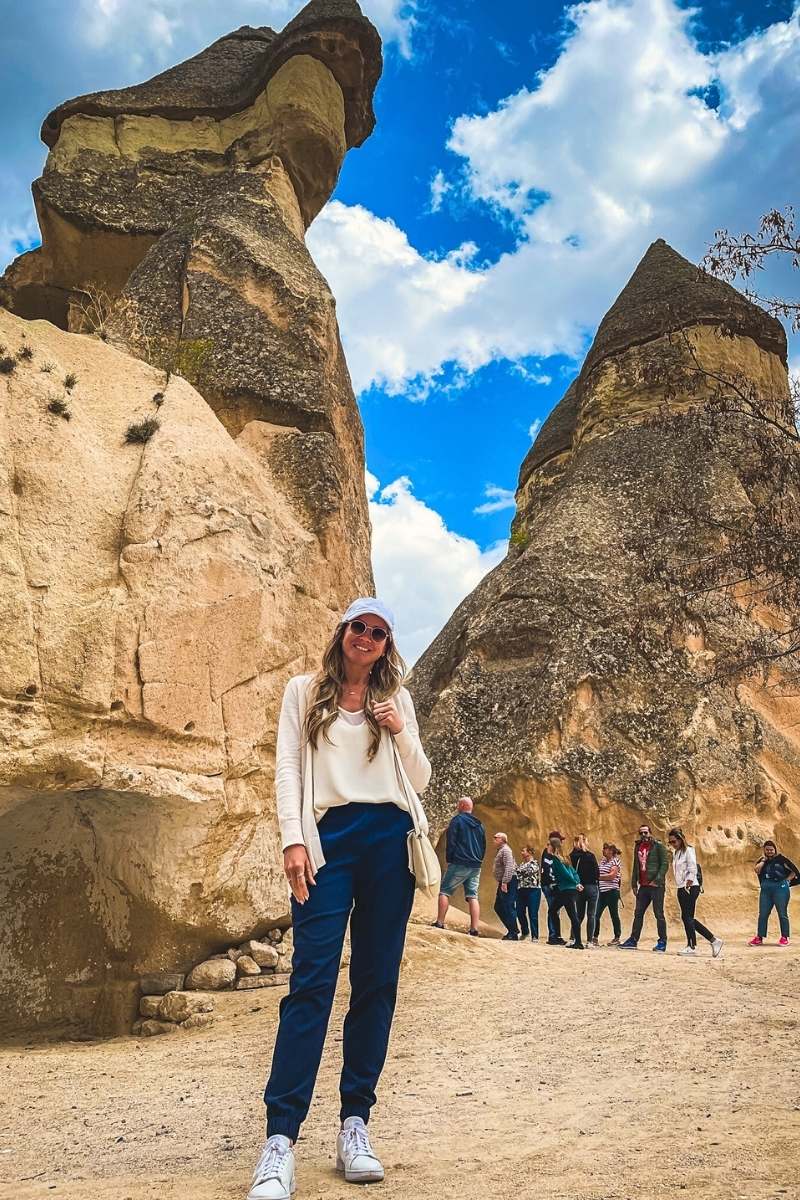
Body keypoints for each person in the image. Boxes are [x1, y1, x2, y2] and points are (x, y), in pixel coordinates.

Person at [247, 598, 432, 1200]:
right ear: (343, 632)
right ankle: (280, 1142)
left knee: (376, 983)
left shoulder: (395, 700)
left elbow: (421, 779)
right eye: (360, 627)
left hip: (388, 842)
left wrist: (399, 732)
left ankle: (356, 1124)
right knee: (311, 981)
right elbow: (286, 770)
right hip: (329, 839)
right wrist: (292, 839)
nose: (368, 638)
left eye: (379, 632)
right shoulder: (304, 693)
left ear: (386, 645)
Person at [667, 828, 723, 958]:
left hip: (690, 887)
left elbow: (692, 867)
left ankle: (692, 946)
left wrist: (689, 881)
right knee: (687, 917)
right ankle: (713, 940)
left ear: (681, 839)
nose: (672, 844)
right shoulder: (677, 853)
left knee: (688, 917)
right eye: (670, 842)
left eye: (674, 841)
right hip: (682, 887)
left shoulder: (688, 850)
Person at [433, 797, 485, 936]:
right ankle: (474, 929)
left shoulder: (457, 820)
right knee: (472, 896)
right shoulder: (480, 824)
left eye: (458, 804)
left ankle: (439, 922)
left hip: (459, 862)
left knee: (444, 891)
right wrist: (479, 860)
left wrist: (450, 859)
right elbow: (483, 845)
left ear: (462, 805)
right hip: (476, 865)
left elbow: (452, 841)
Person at [619, 823, 669, 951]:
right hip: (643, 886)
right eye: (641, 833)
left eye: (645, 832)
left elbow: (664, 864)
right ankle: (633, 940)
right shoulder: (638, 846)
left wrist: (657, 880)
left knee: (659, 914)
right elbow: (636, 865)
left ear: (650, 833)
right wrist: (634, 883)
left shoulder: (658, 846)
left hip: (656, 886)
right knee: (638, 913)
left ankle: (662, 941)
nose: (643, 835)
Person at [748, 839, 799, 946]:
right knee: (763, 914)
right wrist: (763, 861)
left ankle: (785, 937)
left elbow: (794, 871)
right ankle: (759, 937)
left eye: (771, 850)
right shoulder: (762, 860)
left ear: (775, 850)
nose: (770, 851)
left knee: (782, 913)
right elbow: (757, 870)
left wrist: (787, 880)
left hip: (780, 888)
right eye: (767, 850)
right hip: (766, 889)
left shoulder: (781, 859)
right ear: (764, 850)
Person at [547, 836, 584, 949]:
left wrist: (575, 883)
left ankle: (577, 942)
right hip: (569, 889)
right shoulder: (565, 857)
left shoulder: (556, 859)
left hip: (566, 890)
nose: (547, 847)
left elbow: (564, 873)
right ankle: (565, 938)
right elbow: (574, 872)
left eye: (548, 845)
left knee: (570, 914)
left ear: (552, 846)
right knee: (555, 911)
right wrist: (577, 882)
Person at [570, 834, 600, 949]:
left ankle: (573, 938)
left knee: (578, 915)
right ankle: (589, 941)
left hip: (578, 887)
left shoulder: (572, 856)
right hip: (591, 887)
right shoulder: (590, 856)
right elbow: (596, 873)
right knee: (591, 915)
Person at [593, 843, 622, 945]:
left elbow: (612, 876)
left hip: (612, 891)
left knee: (614, 914)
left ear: (611, 851)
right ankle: (595, 937)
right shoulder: (603, 861)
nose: (603, 850)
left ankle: (617, 937)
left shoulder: (615, 861)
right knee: (596, 914)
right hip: (602, 891)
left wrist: (598, 877)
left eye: (605, 849)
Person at [493, 832, 519, 940]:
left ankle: (513, 932)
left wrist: (505, 882)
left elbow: (509, 867)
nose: (494, 840)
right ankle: (512, 929)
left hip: (509, 880)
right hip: (505, 880)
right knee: (498, 906)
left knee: (508, 905)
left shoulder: (506, 850)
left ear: (502, 839)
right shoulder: (501, 850)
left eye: (496, 838)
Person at [541, 831, 565, 944]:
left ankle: (555, 935)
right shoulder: (548, 854)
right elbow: (548, 870)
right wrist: (553, 883)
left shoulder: (550, 853)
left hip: (551, 885)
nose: (561, 842)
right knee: (553, 910)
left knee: (554, 910)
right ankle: (553, 935)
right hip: (550, 886)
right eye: (560, 840)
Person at [515, 846, 542, 941]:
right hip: (521, 890)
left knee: (533, 914)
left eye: (523, 851)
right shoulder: (522, 864)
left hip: (533, 890)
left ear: (529, 852)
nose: (521, 852)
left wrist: (516, 870)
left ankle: (535, 936)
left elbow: (528, 872)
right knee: (519, 912)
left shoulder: (535, 863)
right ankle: (525, 931)